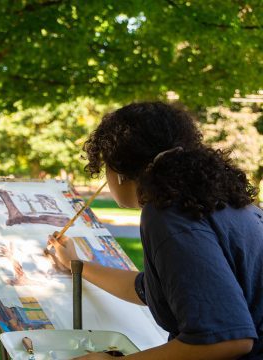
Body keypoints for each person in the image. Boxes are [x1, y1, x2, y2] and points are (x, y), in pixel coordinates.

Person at [47, 102, 263, 359]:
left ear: (118, 172)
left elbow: (227, 339)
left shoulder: (167, 213)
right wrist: (76, 265)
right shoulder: (210, 201)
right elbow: (150, 289)